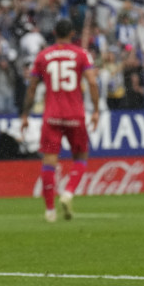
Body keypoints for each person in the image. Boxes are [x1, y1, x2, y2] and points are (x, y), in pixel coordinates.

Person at [20, 18, 100, 222]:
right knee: (81, 157)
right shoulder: (81, 54)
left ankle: (49, 211)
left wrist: (25, 114)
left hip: (52, 116)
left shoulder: (43, 56)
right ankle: (68, 192)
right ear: (72, 33)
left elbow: (31, 88)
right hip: (75, 114)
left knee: (49, 161)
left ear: (54, 32)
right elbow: (92, 82)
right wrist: (96, 110)